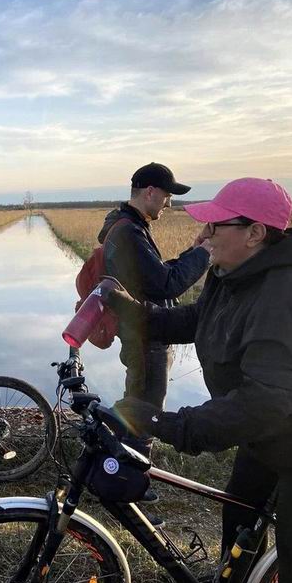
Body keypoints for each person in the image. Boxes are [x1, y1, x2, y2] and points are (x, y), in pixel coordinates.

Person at [103, 177, 292, 583]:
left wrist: (169, 424)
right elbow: (195, 319)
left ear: (255, 233)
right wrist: (130, 312)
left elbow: (269, 400)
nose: (203, 234)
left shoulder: (288, 295)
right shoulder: (231, 273)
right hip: (275, 435)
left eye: (215, 226)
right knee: (239, 515)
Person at [98, 162, 209, 451]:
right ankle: (130, 481)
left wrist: (195, 251)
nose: (169, 203)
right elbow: (166, 284)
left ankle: (118, 472)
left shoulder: (126, 226)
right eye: (167, 195)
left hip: (140, 330)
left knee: (135, 405)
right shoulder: (129, 233)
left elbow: (155, 276)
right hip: (146, 334)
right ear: (150, 192)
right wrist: (205, 255)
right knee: (146, 411)